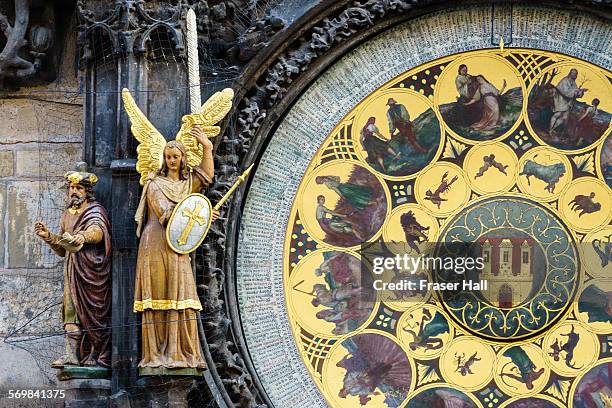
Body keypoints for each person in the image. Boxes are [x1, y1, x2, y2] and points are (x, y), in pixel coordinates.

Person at [133, 126, 219, 371]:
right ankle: (157, 355)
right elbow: (166, 213)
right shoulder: (154, 185)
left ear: (182, 159)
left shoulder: (188, 183)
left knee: (183, 295)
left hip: (179, 246)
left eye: (175, 157)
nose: (171, 161)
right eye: (168, 157)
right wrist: (201, 214)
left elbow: (206, 176)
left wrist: (207, 146)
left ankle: (181, 353)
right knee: (159, 296)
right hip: (157, 243)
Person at [35, 163, 111, 368]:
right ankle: (71, 355)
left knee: (94, 314)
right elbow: (62, 250)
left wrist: (81, 237)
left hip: (91, 270)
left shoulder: (95, 210)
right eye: (71, 187)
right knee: (71, 312)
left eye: (79, 188)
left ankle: (95, 355)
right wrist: (49, 237)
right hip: (72, 268)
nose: (74, 191)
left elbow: (98, 231)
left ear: (87, 191)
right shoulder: (67, 213)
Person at [549, 68, 587, 137]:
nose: (575, 75)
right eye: (574, 74)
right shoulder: (565, 81)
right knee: (557, 114)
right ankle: (550, 129)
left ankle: (553, 129)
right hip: (560, 99)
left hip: (568, 102)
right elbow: (565, 92)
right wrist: (577, 90)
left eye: (576, 74)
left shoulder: (573, 83)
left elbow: (576, 94)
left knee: (564, 118)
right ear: (570, 73)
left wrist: (581, 91)